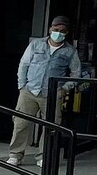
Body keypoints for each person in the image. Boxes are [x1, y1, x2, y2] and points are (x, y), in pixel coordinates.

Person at [9, 15, 82, 166]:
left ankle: (44, 156)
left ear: (67, 32)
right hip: (30, 90)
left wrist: (64, 89)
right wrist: (22, 86)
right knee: (20, 124)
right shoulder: (36, 44)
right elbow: (24, 64)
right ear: (50, 29)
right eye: (56, 29)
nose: (58, 33)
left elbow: (76, 73)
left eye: (62, 30)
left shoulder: (70, 51)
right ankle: (15, 155)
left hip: (53, 93)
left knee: (50, 127)